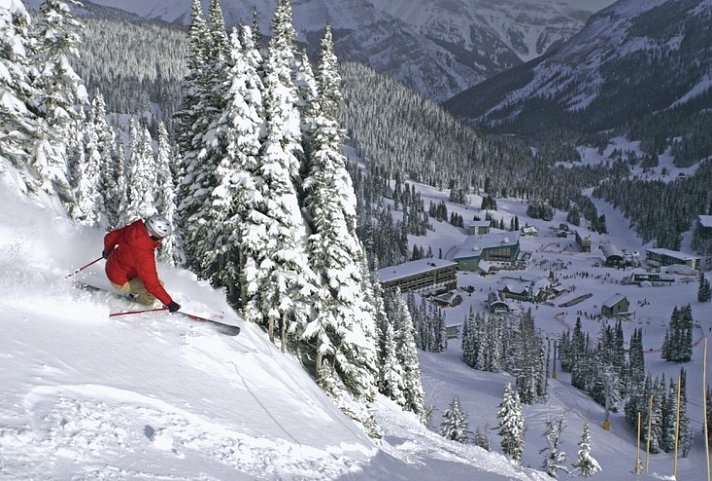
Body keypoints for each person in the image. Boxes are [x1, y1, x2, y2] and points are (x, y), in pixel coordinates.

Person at [102, 214, 181, 313]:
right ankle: (139, 302)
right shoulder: (144, 253)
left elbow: (109, 238)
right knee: (154, 289)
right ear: (154, 235)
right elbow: (152, 284)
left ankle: (134, 290)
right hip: (120, 281)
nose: (162, 240)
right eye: (161, 237)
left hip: (112, 266)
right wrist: (170, 303)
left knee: (142, 275)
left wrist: (107, 252)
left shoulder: (133, 229)